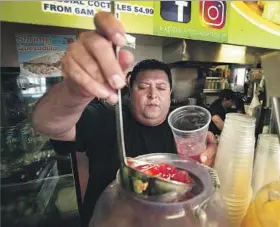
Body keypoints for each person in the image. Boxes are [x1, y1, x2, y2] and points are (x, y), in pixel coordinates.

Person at [32, 12, 217, 227]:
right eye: (143, 87)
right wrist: (75, 91)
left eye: (161, 87)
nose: (152, 94)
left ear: (170, 94)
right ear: (130, 90)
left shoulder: (184, 131)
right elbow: (46, 123)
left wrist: (210, 160)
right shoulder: (107, 118)